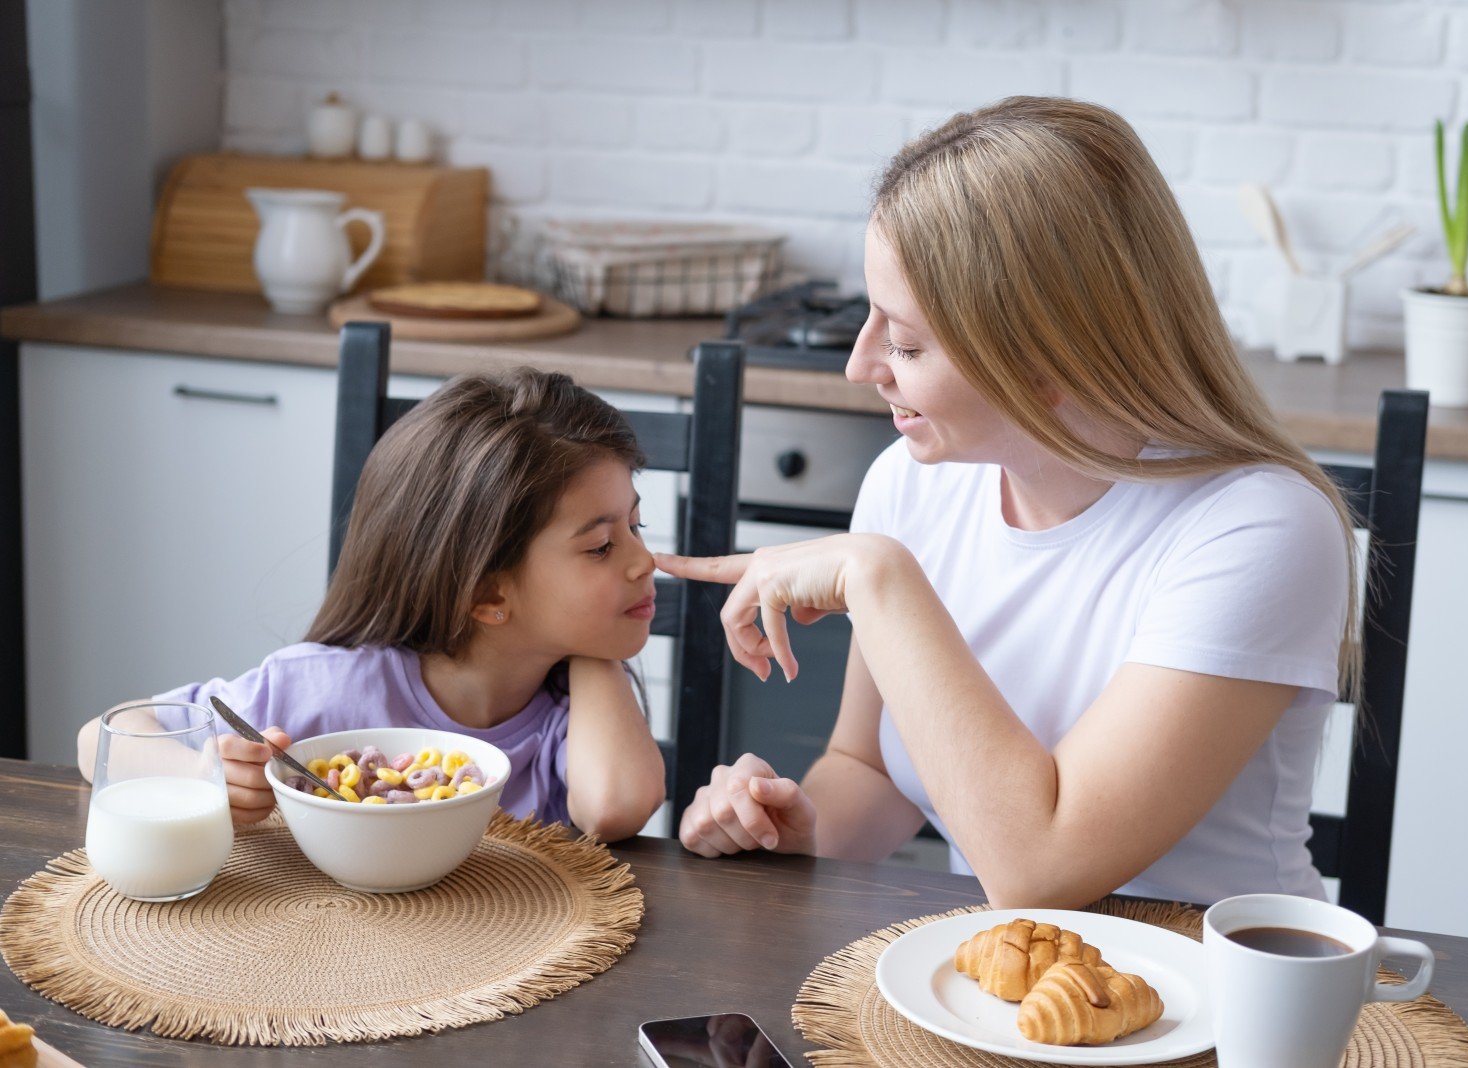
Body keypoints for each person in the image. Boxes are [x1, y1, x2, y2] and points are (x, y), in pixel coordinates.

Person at [658, 96, 1358, 908]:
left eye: (906, 342)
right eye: (871, 322)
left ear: (1046, 354)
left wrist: (876, 578)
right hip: (1014, 987)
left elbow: (1040, 870)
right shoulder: (912, 481)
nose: (861, 366)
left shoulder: (1259, 529)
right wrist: (795, 834)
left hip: (1226, 997)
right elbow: (876, 770)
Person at [75, 367, 665, 842]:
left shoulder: (570, 713)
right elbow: (101, 738)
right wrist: (202, 778)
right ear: (486, 594)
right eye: (602, 546)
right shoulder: (323, 688)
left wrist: (597, 648)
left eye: (637, 525)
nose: (645, 561)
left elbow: (616, 805)